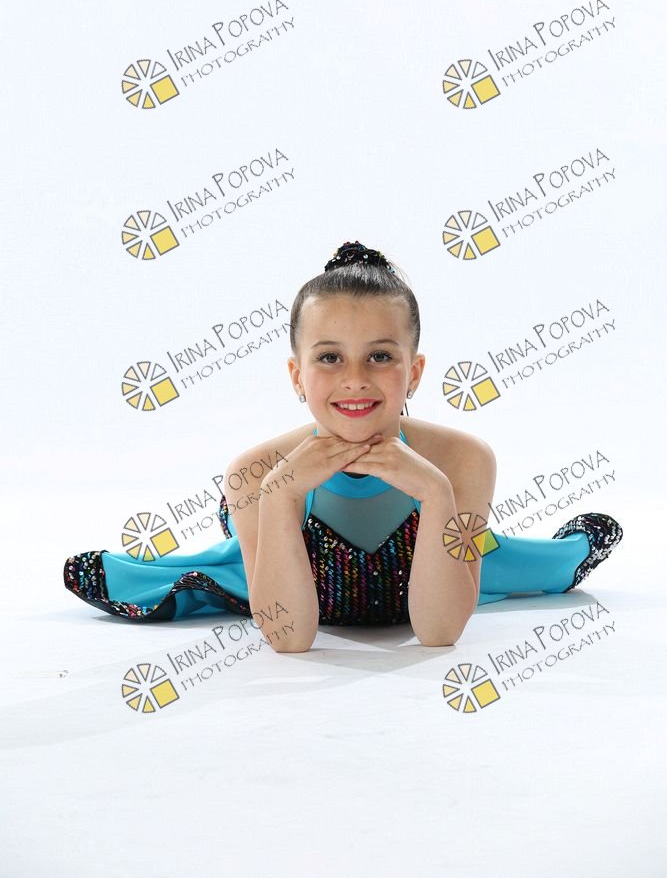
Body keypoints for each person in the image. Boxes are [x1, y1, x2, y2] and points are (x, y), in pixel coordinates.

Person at [63, 240, 623, 650]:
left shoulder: (462, 461)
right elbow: (289, 640)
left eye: (380, 356)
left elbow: (440, 631)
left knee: (527, 568)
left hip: (440, 569)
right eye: (329, 357)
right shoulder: (257, 471)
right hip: (285, 570)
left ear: (415, 371)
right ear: (297, 375)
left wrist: (436, 493)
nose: (355, 380)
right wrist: (281, 495)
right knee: (228, 571)